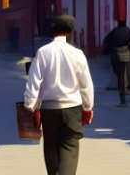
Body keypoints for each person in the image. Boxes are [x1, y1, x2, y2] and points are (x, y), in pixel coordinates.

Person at [23, 14, 94, 175]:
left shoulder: (43, 52)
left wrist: (31, 106)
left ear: (53, 29)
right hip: (72, 109)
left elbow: (34, 82)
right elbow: (86, 85)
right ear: (70, 31)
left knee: (51, 147)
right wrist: (87, 107)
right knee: (69, 147)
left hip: (49, 110)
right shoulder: (78, 54)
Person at [102, 19, 130, 106]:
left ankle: (122, 95)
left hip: (116, 55)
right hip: (125, 54)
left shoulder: (115, 31)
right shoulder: (127, 30)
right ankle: (125, 92)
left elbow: (106, 40)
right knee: (124, 73)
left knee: (119, 75)